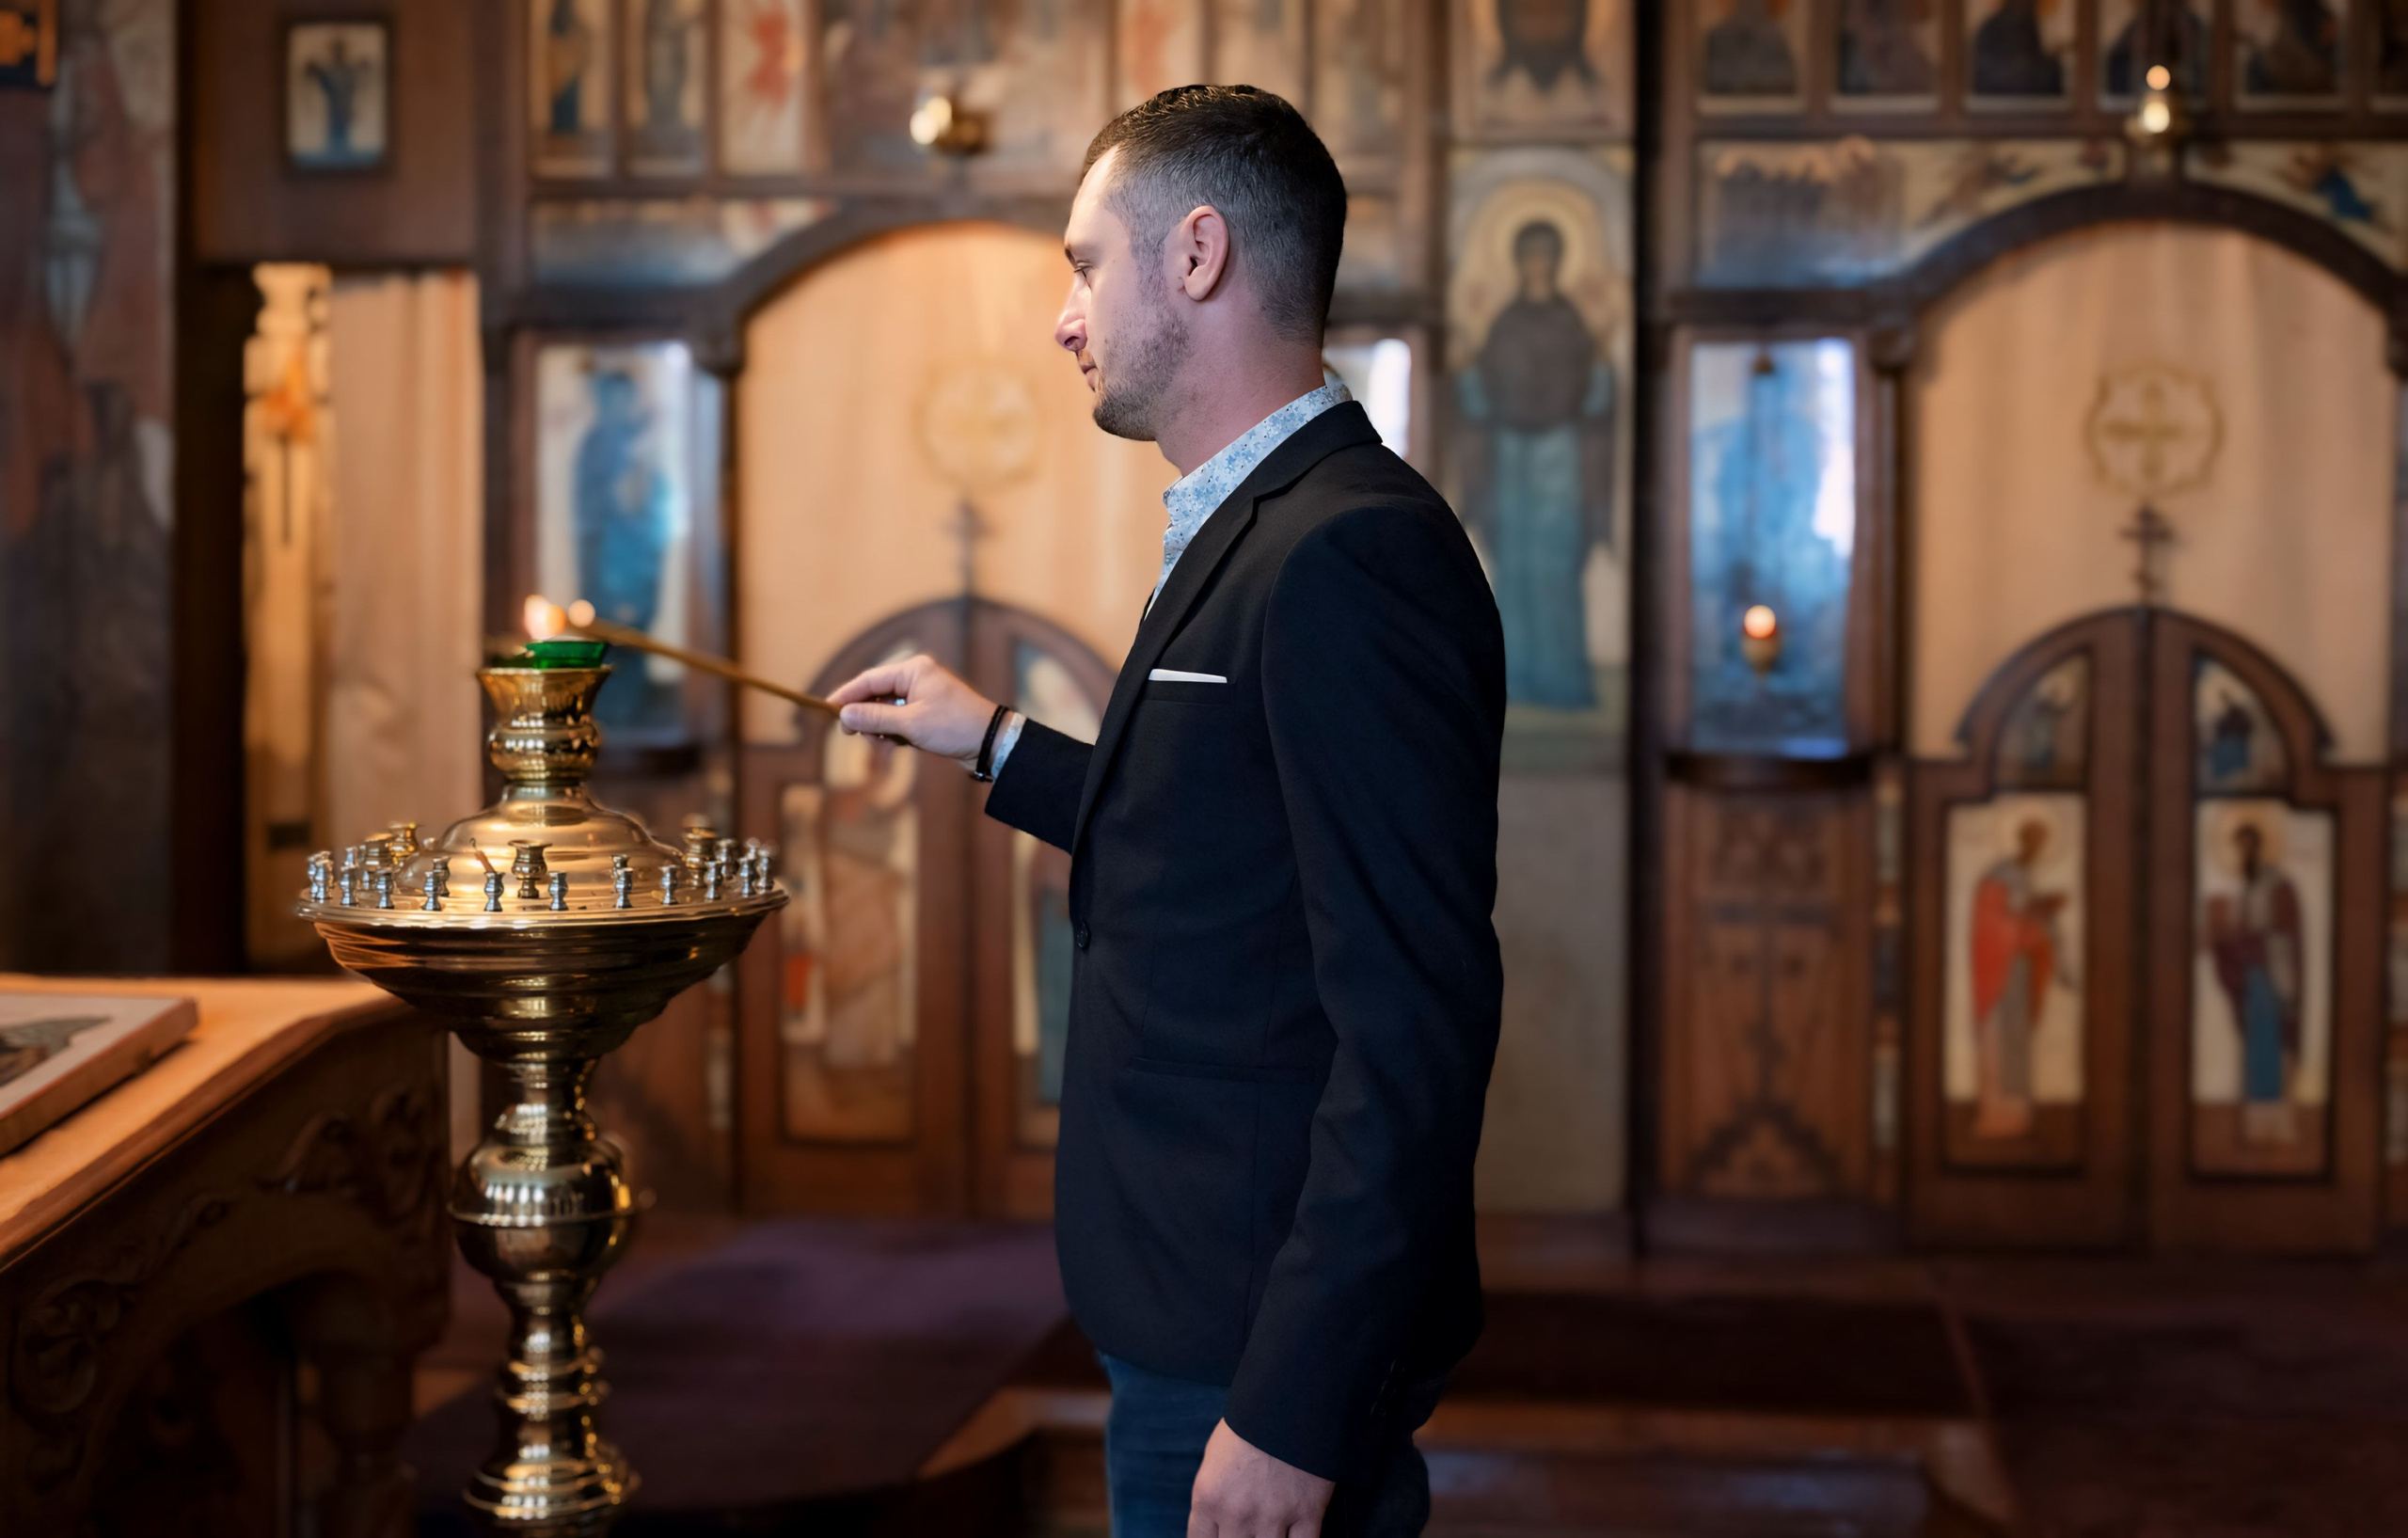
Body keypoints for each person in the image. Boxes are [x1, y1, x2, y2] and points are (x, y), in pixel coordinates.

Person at [828, 84, 1506, 1538]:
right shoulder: (1255, 521)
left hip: (1258, 1342)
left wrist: (1293, 1408)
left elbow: (1415, 1031)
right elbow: (1225, 839)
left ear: (1196, 256)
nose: (1065, 317)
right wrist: (996, 741)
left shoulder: (1348, 554)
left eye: (1084, 264)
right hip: (1191, 1302)